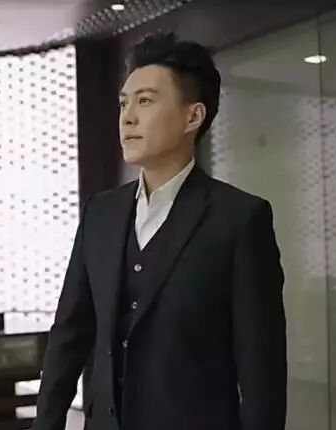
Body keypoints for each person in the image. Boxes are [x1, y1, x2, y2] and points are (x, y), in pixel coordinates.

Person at [34, 32, 286, 430]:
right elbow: (70, 333)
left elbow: (262, 370)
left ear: (193, 117)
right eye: (124, 103)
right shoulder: (101, 213)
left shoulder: (240, 219)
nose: (127, 117)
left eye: (146, 101)